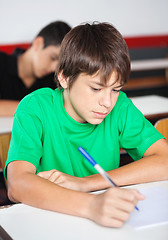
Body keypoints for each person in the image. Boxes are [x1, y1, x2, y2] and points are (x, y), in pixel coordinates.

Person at [4, 22, 168, 228]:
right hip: (50, 222)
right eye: (96, 88)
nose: (107, 102)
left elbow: (166, 160)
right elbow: (17, 185)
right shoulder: (35, 107)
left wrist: (86, 184)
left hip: (106, 222)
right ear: (64, 77)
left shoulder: (120, 107)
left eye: (115, 89)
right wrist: (91, 205)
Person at [0, 21, 71, 116]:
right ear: (38, 43)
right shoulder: (2, 62)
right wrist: (37, 106)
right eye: (53, 58)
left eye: (59, 65)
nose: (54, 68)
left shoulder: (54, 80)